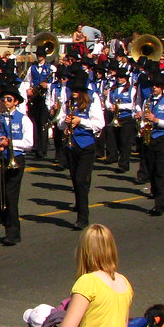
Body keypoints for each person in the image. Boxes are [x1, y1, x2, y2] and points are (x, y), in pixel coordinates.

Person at [0, 85, 33, 246]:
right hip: (0, 159)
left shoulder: (23, 119)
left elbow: (29, 143)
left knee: (11, 196)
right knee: (0, 193)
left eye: (9, 99)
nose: (5, 101)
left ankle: (13, 232)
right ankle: (7, 224)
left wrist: (10, 143)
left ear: (16, 102)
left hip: (16, 159)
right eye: (4, 99)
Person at [58, 75, 105, 230]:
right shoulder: (68, 103)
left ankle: (83, 218)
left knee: (80, 180)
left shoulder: (91, 102)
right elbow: (59, 123)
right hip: (71, 145)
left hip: (86, 145)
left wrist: (80, 121)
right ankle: (79, 205)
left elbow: (99, 124)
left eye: (77, 90)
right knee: (74, 179)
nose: (74, 93)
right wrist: (65, 121)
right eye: (73, 90)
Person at [140, 73, 164, 216]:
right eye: (153, 85)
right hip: (150, 138)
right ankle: (155, 195)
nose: (154, 88)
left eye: (157, 86)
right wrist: (142, 125)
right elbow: (143, 118)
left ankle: (160, 205)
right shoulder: (147, 101)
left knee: (161, 171)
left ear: (162, 88)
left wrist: (156, 120)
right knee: (151, 170)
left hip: (163, 138)